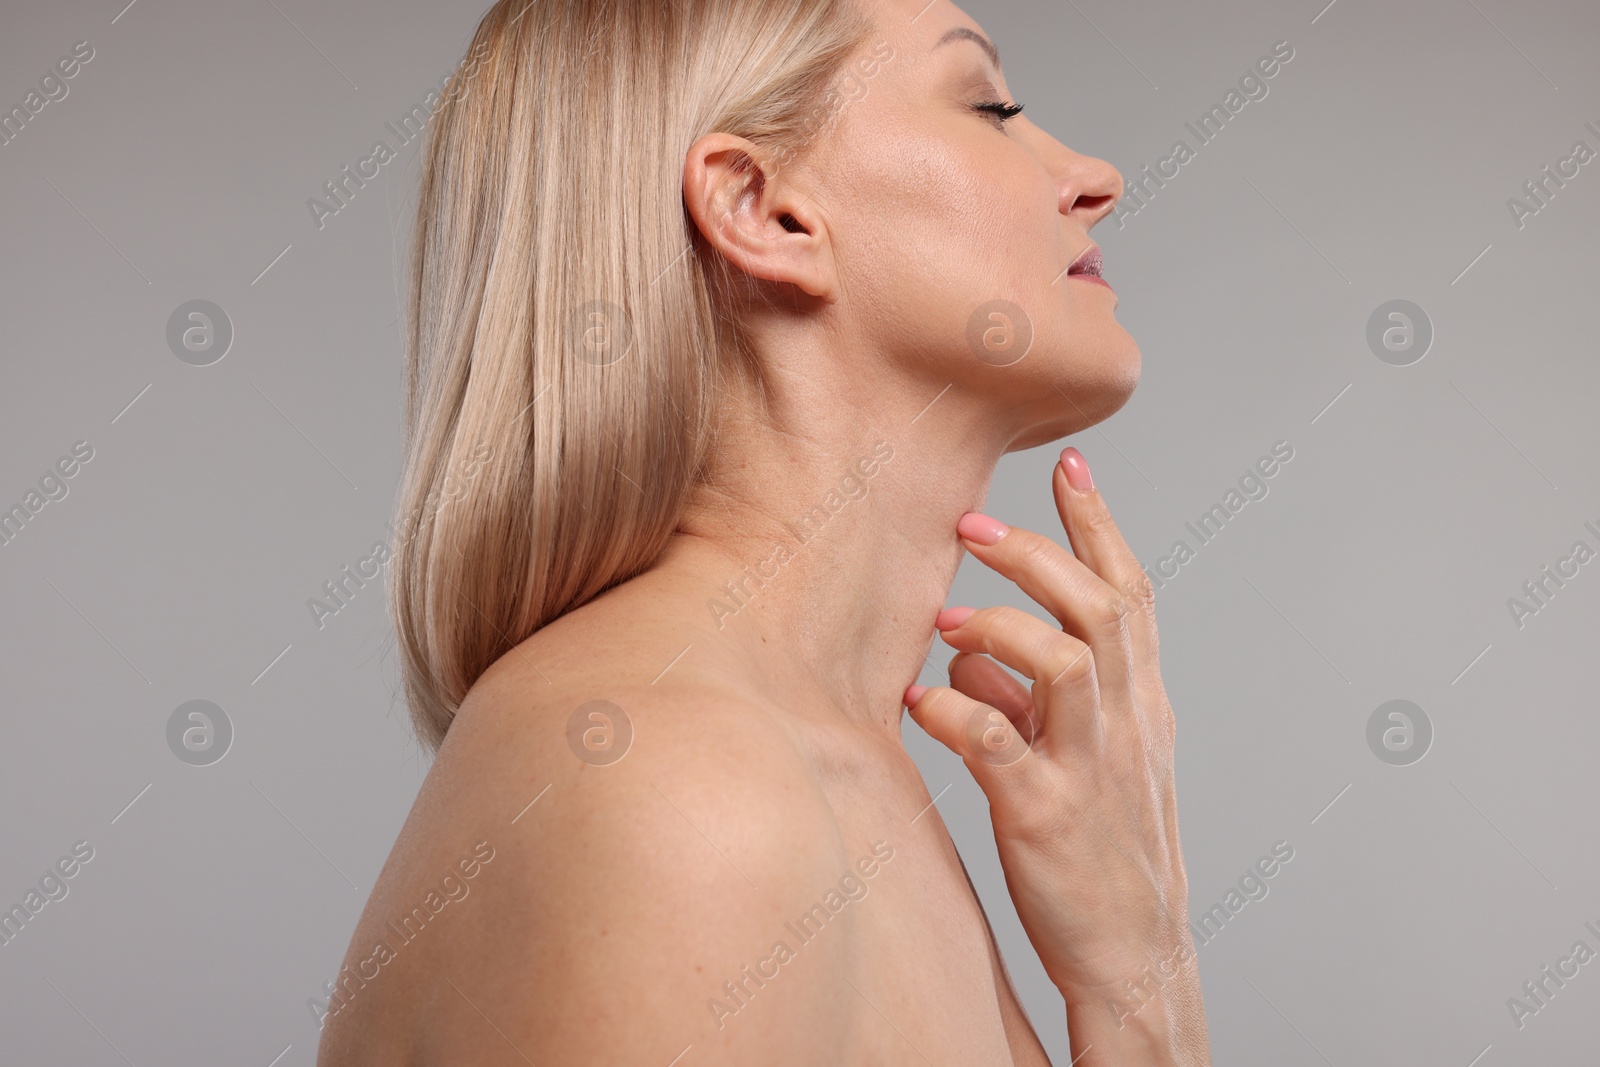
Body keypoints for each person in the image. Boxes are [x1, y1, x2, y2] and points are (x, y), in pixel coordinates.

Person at [318, 0, 1211, 1062]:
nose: (1095, 175)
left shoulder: (826, 772)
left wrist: (1139, 972)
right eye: (989, 105)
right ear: (762, 209)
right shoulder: (686, 788)